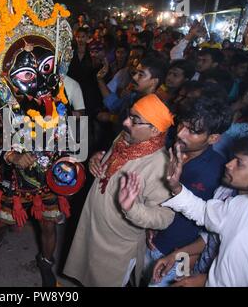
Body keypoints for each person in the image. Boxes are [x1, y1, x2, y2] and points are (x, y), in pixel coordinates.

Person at [0, 0, 79, 287]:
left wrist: (69, 157)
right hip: (15, 179)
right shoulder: (0, 104)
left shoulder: (58, 98)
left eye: (46, 69)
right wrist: (12, 155)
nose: (42, 80)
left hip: (48, 178)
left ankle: (46, 263)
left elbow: (69, 134)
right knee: (0, 224)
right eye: (29, 75)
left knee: (49, 226)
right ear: (7, 76)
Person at [63, 94, 175, 287]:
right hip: (93, 227)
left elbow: (165, 217)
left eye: (134, 120)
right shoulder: (124, 139)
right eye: (129, 115)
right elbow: (107, 168)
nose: (125, 122)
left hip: (117, 246)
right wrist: (95, 161)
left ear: (154, 129)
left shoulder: (161, 165)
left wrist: (131, 207)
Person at [144, 95, 232, 286]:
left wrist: (186, 256)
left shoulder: (220, 174)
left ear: (214, 138)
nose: (181, 134)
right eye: (181, 125)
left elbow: (214, 229)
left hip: (181, 256)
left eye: (193, 131)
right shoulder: (166, 148)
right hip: (148, 237)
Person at [154, 136, 248, 286]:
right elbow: (204, 213)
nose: (229, 165)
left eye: (240, 163)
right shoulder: (242, 204)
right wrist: (176, 187)